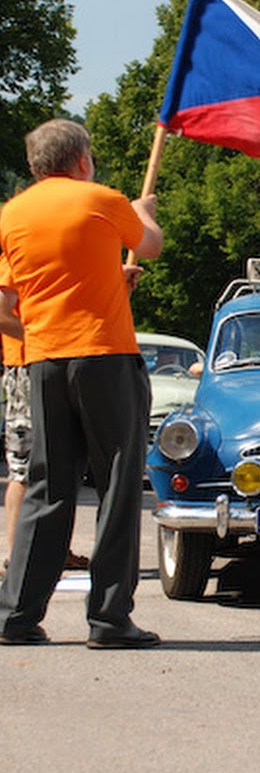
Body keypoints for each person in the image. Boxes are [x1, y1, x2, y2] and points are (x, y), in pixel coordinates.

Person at [0, 119, 162, 647]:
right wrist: (142, 215)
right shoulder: (103, 199)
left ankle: (16, 616)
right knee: (118, 486)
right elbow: (152, 245)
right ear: (83, 160)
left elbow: (10, 302)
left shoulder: (11, 214)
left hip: (45, 361)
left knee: (48, 486)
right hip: (106, 357)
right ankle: (109, 618)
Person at [0, 278, 88, 580]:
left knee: (60, 461)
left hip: (53, 363)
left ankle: (56, 549)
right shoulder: (13, 260)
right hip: (27, 367)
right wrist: (45, 340)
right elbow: (1, 314)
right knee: (24, 465)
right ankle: (16, 555)